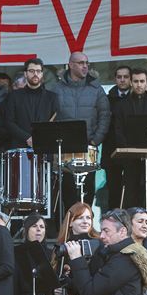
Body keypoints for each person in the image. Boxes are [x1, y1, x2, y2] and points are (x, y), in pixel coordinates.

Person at [50, 52, 111, 208]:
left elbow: (105, 115)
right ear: (70, 65)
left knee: (88, 191)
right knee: (67, 191)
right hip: (64, 148)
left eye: (87, 63)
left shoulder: (96, 88)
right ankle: (69, 229)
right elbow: (50, 116)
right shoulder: (56, 89)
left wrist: (95, 140)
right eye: (81, 63)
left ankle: (87, 229)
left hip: (88, 146)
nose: (85, 66)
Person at [65, 208, 147, 295]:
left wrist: (77, 259)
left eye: (106, 231)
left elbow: (90, 293)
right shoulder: (122, 254)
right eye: (101, 231)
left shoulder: (125, 259)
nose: (101, 236)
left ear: (122, 231)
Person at [111, 68, 147, 210]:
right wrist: (128, 149)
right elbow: (118, 130)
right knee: (131, 195)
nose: (139, 85)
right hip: (130, 159)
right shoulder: (121, 105)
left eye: (142, 81)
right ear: (131, 82)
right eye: (136, 81)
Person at [1, 58, 59, 148]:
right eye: (31, 71)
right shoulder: (14, 96)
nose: (35, 74)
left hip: (45, 146)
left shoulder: (52, 97)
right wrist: (27, 138)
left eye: (38, 71)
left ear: (42, 74)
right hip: (20, 147)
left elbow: (55, 122)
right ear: (25, 73)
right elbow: (9, 122)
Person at [53, 202, 101, 295]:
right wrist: (55, 291)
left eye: (88, 218)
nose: (85, 221)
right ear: (70, 223)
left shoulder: (98, 244)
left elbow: (95, 280)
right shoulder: (62, 246)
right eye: (80, 218)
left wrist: (69, 287)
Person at [102, 66, 132, 210]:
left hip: (132, 150)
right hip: (111, 150)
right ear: (115, 79)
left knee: (132, 190)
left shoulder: (136, 99)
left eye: (125, 77)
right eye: (119, 77)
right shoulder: (107, 99)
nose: (122, 80)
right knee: (113, 189)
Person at [13, 214, 54, 295]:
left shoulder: (52, 254)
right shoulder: (17, 253)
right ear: (26, 230)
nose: (39, 229)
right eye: (34, 226)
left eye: (42, 227)